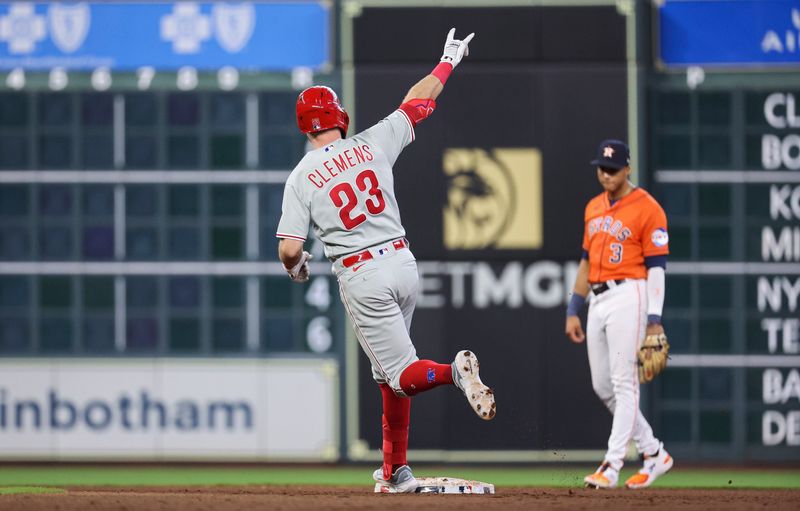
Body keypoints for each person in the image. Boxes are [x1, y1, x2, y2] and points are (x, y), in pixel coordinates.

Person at [276, 28, 495, 493]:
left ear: (304, 126)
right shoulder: (373, 141)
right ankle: (395, 470)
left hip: (362, 273)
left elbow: (291, 248)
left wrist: (297, 269)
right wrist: (448, 61)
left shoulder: (301, 176)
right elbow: (418, 102)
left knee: (404, 373)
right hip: (402, 261)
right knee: (389, 377)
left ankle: (453, 372)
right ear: (339, 116)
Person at [565, 139, 674, 489]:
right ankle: (654, 452)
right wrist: (573, 308)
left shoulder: (648, 208)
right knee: (603, 386)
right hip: (597, 297)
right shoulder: (593, 207)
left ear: (628, 169)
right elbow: (585, 262)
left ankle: (611, 466)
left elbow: (657, 267)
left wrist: (654, 319)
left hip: (630, 292)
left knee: (625, 384)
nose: (605, 174)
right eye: (601, 168)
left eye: (612, 169)